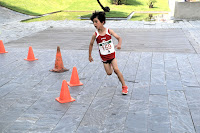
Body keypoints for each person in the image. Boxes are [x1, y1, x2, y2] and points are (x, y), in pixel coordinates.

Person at [88, 11, 128, 95]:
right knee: (109, 73)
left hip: (112, 55)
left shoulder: (109, 31)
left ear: (102, 22)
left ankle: (124, 86)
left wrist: (119, 44)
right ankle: (110, 65)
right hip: (104, 58)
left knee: (116, 70)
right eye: (93, 22)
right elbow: (91, 44)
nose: (94, 24)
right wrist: (90, 55)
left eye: (96, 22)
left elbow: (119, 38)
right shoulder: (95, 35)